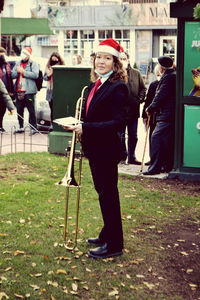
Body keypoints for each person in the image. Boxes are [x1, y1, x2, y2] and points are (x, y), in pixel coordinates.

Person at [62, 38, 128, 259]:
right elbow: (93, 115)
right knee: (104, 194)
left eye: (106, 58)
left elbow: (118, 123)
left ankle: (115, 245)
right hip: (96, 149)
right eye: (98, 57)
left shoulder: (117, 87)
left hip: (107, 151)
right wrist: (78, 123)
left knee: (109, 195)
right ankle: (107, 233)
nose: (101, 61)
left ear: (115, 63)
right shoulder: (95, 84)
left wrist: (85, 127)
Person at [143, 56, 176, 175]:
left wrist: (150, 108)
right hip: (167, 114)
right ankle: (164, 165)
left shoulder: (168, 77)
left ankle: (155, 167)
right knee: (164, 141)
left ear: (161, 68)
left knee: (156, 138)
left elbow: (161, 95)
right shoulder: (172, 75)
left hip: (166, 114)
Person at [120, 51, 146, 165]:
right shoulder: (115, 74)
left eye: (124, 58)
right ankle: (122, 156)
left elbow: (143, 89)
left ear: (128, 60)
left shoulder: (136, 73)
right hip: (120, 112)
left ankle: (132, 157)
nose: (122, 60)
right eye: (120, 58)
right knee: (120, 135)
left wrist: (139, 100)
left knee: (133, 136)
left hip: (133, 111)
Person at [11, 47, 39, 135]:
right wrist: (18, 72)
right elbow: (12, 74)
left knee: (31, 110)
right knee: (19, 109)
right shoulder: (18, 63)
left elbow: (35, 75)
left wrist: (23, 72)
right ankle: (20, 127)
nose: (23, 55)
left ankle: (33, 127)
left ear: (28, 55)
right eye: (22, 53)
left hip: (29, 91)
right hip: (19, 90)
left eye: (25, 53)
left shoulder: (33, 63)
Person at [142, 64, 161, 165]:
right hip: (152, 115)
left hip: (156, 115)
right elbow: (148, 100)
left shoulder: (156, 84)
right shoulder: (153, 84)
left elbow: (149, 101)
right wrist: (144, 115)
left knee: (154, 137)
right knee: (152, 137)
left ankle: (154, 159)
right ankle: (152, 158)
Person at [43, 52, 65, 123]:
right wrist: (49, 74)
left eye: (56, 58)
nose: (54, 60)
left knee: (59, 109)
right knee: (51, 108)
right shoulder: (48, 67)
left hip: (59, 89)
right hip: (50, 90)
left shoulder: (62, 66)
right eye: (53, 58)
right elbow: (45, 78)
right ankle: (52, 124)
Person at [0, 47, 14, 132]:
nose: (2, 57)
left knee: (2, 110)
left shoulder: (6, 65)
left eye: (3, 55)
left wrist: (11, 90)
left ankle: (0, 126)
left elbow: (9, 78)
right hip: (1, 90)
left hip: (5, 90)